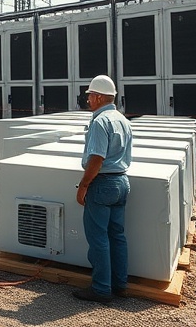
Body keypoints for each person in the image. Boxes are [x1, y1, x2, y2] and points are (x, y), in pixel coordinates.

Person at [73, 74, 133, 303]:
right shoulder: (122, 119)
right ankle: (120, 286)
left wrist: (84, 185)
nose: (88, 100)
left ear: (97, 97)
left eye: (89, 96)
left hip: (102, 184)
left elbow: (96, 157)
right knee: (117, 236)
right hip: (121, 182)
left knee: (98, 239)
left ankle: (100, 289)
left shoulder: (99, 122)